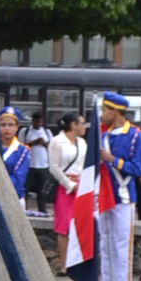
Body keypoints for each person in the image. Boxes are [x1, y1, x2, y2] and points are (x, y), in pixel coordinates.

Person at [96, 92, 141, 281]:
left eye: (105, 110)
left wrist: (112, 160)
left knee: (122, 247)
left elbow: (138, 169)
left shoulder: (135, 135)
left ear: (115, 112)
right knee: (105, 245)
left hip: (124, 196)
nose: (102, 115)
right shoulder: (100, 135)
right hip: (103, 196)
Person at [49, 113, 86, 269]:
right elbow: (54, 167)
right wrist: (69, 184)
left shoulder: (82, 143)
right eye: (82, 123)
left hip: (81, 184)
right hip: (64, 186)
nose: (84, 127)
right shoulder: (57, 142)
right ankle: (64, 264)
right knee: (64, 226)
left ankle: (77, 262)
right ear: (73, 124)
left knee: (80, 225)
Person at [0, 109, 30, 206]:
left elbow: (19, 179)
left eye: (11, 125)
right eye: (3, 125)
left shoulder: (23, 151)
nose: (7, 128)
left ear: (16, 127)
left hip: (14, 198)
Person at [24, 111, 52, 214]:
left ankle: (42, 210)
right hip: (29, 165)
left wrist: (43, 143)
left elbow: (51, 147)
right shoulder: (26, 131)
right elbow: (21, 146)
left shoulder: (47, 132)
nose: (38, 124)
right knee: (26, 188)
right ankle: (24, 208)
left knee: (42, 190)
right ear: (32, 121)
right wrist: (34, 143)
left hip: (43, 165)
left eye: (40, 122)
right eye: (36, 122)